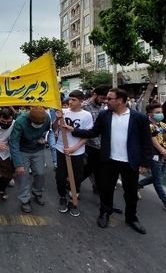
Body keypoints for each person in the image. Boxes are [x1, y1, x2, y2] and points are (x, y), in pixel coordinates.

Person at [64, 88, 152, 234]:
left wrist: (144, 162)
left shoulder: (138, 118)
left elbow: (146, 141)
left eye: (110, 99)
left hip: (130, 162)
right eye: (106, 98)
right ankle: (104, 213)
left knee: (130, 192)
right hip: (109, 160)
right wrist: (73, 130)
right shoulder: (104, 115)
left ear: (120, 100)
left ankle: (131, 218)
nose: (106, 101)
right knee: (106, 189)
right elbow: (93, 132)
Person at [52, 90, 93, 217]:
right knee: (60, 176)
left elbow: (87, 135)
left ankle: (73, 199)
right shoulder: (63, 112)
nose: (70, 102)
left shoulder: (86, 115)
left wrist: (74, 148)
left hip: (77, 151)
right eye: (70, 99)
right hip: (61, 148)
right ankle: (62, 197)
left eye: (74, 100)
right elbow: (54, 129)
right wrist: (57, 119)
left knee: (76, 177)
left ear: (81, 101)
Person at [138, 103, 166, 216]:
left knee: (158, 178)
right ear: (149, 114)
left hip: (163, 154)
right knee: (158, 182)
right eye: (157, 113)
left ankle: (137, 185)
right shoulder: (148, 126)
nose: (160, 114)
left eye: (161, 112)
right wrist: (165, 154)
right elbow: (154, 142)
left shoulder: (162, 124)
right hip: (154, 155)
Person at [8, 106, 51, 213]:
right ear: (30, 119)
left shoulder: (46, 118)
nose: (38, 125)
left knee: (40, 173)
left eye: (41, 123)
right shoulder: (20, 121)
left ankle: (37, 192)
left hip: (38, 149)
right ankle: (25, 200)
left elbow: (46, 132)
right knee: (23, 175)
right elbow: (14, 142)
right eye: (36, 123)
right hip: (23, 150)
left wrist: (42, 139)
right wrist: (18, 164)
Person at [81, 84, 109, 194]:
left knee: (96, 168)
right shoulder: (84, 107)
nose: (104, 101)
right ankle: (72, 185)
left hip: (100, 144)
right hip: (88, 144)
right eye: (102, 98)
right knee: (88, 168)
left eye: (106, 99)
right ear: (95, 94)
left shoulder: (103, 106)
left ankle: (97, 186)